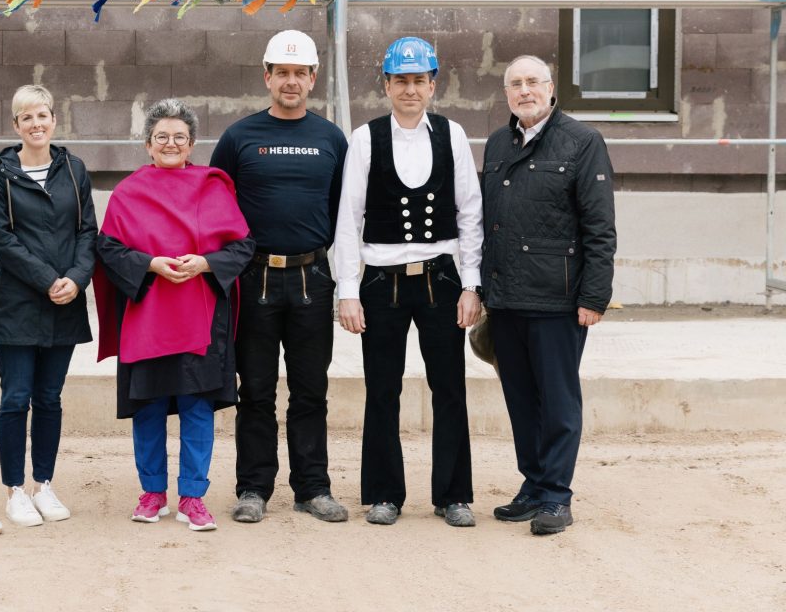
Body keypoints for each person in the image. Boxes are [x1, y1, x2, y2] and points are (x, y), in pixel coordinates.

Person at [333, 37, 483, 528]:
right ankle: (383, 493)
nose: (411, 89)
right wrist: (348, 292)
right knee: (382, 389)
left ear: (432, 84)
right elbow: (348, 219)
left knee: (450, 387)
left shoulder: (452, 134)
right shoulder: (364, 138)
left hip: (441, 277)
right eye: (402, 81)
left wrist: (471, 283)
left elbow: (470, 213)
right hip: (381, 282)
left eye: (419, 80)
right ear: (387, 85)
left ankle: (453, 494)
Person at [95, 99, 254, 532]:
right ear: (148, 144)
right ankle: (152, 493)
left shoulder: (212, 186)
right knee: (148, 407)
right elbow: (108, 248)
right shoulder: (128, 191)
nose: (170, 143)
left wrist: (204, 264)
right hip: (147, 316)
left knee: (197, 409)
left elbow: (242, 246)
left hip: (200, 319)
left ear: (192, 144)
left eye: (179, 137)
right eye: (161, 137)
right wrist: (150, 264)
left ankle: (193, 497)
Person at [210, 30, 350, 524]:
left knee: (311, 390)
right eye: (282, 73)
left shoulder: (331, 138)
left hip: (312, 278)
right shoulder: (239, 137)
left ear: (313, 79)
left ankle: (313, 488)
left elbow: (342, 212)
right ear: (267, 77)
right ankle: (253, 488)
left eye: (300, 74)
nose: (291, 82)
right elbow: (216, 207)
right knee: (257, 391)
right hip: (254, 280)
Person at [481, 55, 617, 536]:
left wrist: (594, 297)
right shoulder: (498, 144)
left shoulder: (583, 142)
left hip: (558, 300)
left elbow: (600, 229)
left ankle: (557, 496)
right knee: (520, 399)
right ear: (507, 93)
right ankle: (534, 486)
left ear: (550, 87)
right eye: (515, 84)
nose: (524, 91)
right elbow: (488, 224)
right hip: (507, 299)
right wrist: (482, 288)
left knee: (558, 402)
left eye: (533, 82)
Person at [0, 85, 97, 527]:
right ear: (15, 125)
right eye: (26, 117)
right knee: (16, 398)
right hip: (18, 304)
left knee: (50, 397)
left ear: (54, 120)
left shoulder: (73, 168)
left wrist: (76, 279)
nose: (36, 124)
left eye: (43, 115)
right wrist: (47, 279)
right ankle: (14, 490)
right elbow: (1, 237)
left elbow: (88, 232)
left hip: (66, 300)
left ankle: (43, 484)